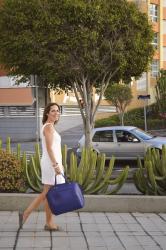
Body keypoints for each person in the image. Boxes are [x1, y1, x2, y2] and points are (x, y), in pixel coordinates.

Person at [19, 102, 65, 231]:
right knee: (46, 193)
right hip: (51, 164)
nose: (56, 113)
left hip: (52, 162)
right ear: (47, 113)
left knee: (49, 194)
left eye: (58, 110)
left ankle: (49, 223)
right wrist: (56, 165)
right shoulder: (48, 127)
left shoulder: (49, 126)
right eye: (53, 111)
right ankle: (26, 214)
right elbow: (50, 148)